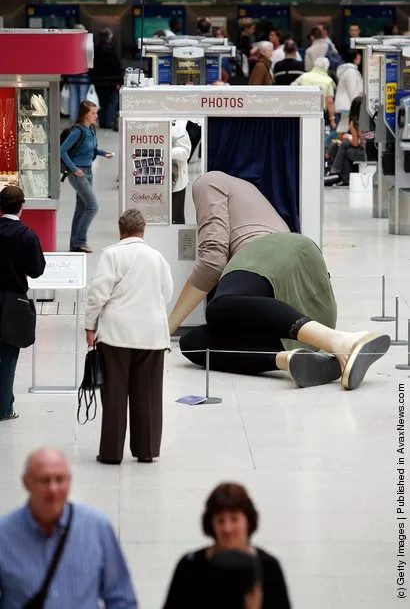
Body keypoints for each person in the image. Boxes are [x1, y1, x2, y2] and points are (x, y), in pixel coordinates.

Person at [170, 172, 390, 390]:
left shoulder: (209, 181)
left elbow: (212, 262)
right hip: (310, 310)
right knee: (194, 343)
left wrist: (165, 329)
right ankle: (290, 359)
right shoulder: (245, 189)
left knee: (220, 308)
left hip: (272, 252)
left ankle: (343, 341)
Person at [85, 209, 173, 465]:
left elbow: (97, 293)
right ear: (144, 229)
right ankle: (146, 450)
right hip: (152, 334)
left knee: (113, 395)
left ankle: (111, 453)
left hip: (116, 334)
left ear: (119, 229)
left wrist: (90, 326)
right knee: (148, 395)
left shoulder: (111, 255)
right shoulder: (157, 258)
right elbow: (166, 293)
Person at [0, 448, 138, 607]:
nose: (53, 489)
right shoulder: (4, 536)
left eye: (59, 480)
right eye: (44, 481)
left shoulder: (97, 528)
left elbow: (121, 597)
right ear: (26, 482)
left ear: (69, 481)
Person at [162, 482, 291, 609]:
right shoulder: (189, 567)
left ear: (248, 521)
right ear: (211, 524)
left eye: (234, 519)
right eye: (220, 520)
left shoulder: (268, 568)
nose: (227, 528)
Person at [0, 185, 45, 421]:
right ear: (22, 206)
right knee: (8, 356)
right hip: (13, 302)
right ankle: (4, 407)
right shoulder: (27, 235)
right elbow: (37, 270)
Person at [60, 100, 113, 253]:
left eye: (96, 113)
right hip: (78, 173)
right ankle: (80, 241)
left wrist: (104, 153)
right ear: (85, 114)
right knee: (92, 206)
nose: (96, 116)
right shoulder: (77, 131)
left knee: (81, 208)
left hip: (88, 171)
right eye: (93, 113)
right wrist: (74, 169)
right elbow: (62, 151)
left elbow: (93, 149)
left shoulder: (91, 130)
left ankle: (74, 244)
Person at [329, 95, 368, 186]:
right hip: (374, 151)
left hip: (365, 153)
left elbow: (355, 143)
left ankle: (337, 173)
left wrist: (348, 137)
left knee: (346, 150)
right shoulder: (370, 119)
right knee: (345, 145)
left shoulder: (354, 122)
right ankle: (337, 173)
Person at [293, 57, 337, 130]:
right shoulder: (328, 81)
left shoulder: (303, 77)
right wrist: (332, 120)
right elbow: (330, 102)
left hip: (302, 110)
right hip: (319, 113)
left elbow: (292, 88)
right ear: (327, 67)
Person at [92, 27, 122, 129]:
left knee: (102, 102)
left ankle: (103, 122)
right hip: (110, 81)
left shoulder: (95, 48)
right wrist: (119, 80)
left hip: (98, 81)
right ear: (109, 37)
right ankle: (108, 122)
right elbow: (115, 66)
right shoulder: (111, 49)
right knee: (111, 101)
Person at [335, 50, 363, 133]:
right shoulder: (351, 72)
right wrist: (357, 105)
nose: (360, 57)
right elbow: (353, 91)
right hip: (349, 105)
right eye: (358, 55)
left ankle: (338, 143)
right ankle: (338, 143)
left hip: (348, 105)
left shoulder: (350, 71)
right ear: (354, 58)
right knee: (344, 128)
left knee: (344, 127)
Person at [67, 24, 90, 124]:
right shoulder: (86, 43)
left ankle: (73, 122)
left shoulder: (70, 43)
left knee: (73, 97)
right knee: (82, 98)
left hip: (72, 72)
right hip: (84, 72)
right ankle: (82, 122)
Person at [171, 120, 192, 224]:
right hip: (154, 179)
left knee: (176, 216)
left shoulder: (179, 128)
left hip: (177, 180)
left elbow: (185, 152)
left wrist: (167, 151)